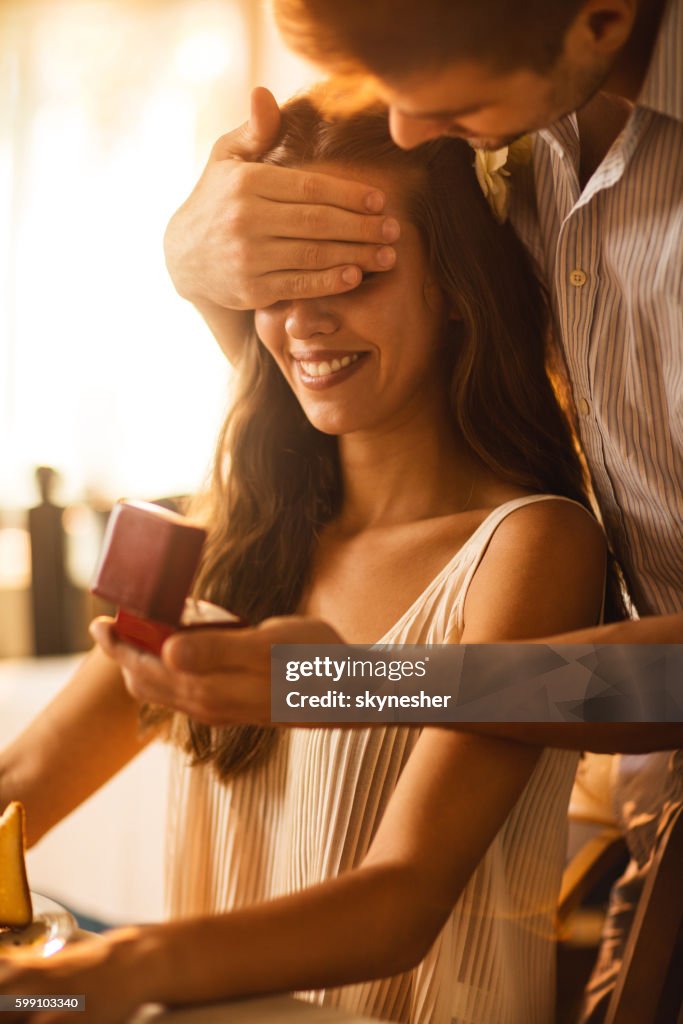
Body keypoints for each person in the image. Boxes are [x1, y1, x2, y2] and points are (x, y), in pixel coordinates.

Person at [1, 96, 615, 1024]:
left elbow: (399, 905)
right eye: (277, 284)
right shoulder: (238, 544)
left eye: (353, 274)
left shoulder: (528, 546)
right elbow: (17, 791)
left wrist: (117, 969)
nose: (304, 323)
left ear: (454, 285)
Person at [153, 2, 682, 1018]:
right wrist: (195, 263)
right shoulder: (525, 141)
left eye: (443, 99)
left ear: (599, 21)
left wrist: (341, 681)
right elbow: (349, 380)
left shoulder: (525, 545)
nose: (405, 127)